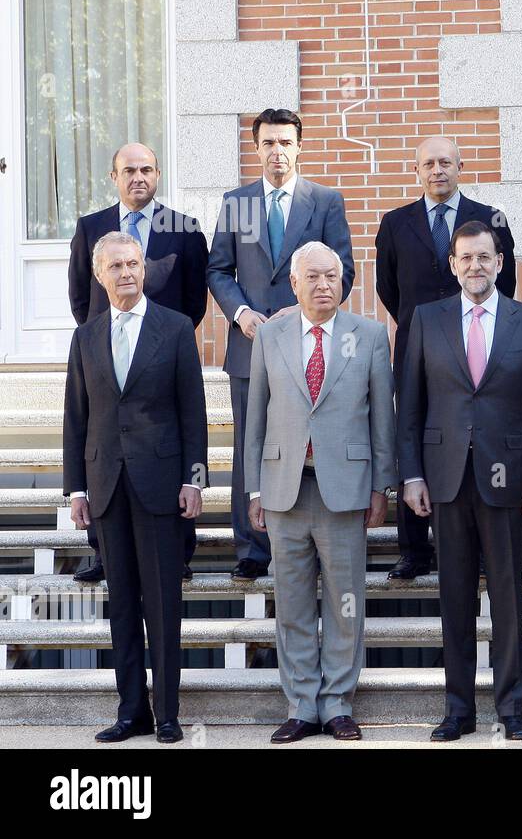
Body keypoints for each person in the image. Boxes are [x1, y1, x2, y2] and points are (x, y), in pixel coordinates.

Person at [398, 221, 522, 742]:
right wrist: (411, 475)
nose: (475, 266)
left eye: (484, 258)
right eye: (465, 258)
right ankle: (458, 709)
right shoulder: (426, 319)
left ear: (500, 262)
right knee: (455, 597)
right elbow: (410, 408)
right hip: (445, 478)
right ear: (453, 264)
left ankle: (512, 708)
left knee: (508, 598)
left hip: (508, 479)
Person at [243, 242, 395, 744]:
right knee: (292, 604)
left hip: (345, 491)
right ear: (294, 283)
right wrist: (253, 489)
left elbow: (382, 420)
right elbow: (256, 417)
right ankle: (301, 705)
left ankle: (337, 704)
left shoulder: (370, 336)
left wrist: (381, 485)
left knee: (345, 600)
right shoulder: (270, 336)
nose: (324, 284)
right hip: (284, 488)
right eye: (313, 276)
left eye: (332, 276)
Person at [63, 232, 207, 744]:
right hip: (106, 486)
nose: (126, 273)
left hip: (162, 484)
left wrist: (196, 480)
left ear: (143, 270)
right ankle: (131, 713)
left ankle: (166, 713)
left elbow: (194, 411)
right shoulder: (86, 337)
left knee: (163, 602)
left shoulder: (175, 328)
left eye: (133, 264)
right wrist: (75, 490)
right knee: (121, 602)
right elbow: (76, 419)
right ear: (100, 276)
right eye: (116, 266)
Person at [208, 108, 355, 583]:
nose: (277, 152)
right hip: (249, 345)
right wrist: (241, 313)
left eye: (285, 143)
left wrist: (305, 312)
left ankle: (306, 541)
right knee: (251, 443)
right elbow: (217, 269)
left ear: (299, 146)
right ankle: (252, 548)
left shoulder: (326, 201)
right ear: (257, 148)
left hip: (308, 347)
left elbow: (344, 271)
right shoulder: (237, 203)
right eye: (268, 143)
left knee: (303, 442)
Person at [67, 142, 209, 583]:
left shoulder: (184, 230)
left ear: (158, 173)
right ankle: (106, 554)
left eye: (146, 169)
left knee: (166, 457)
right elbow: (80, 296)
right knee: (103, 449)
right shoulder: (90, 228)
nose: (138, 177)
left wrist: (165, 341)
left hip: (162, 364)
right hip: (106, 362)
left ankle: (177, 555)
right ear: (114, 177)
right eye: (128, 170)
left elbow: (193, 300)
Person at [377, 136, 518, 581]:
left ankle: (476, 547)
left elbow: (505, 282)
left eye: (445, 162)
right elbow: (387, 287)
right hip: (419, 345)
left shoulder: (490, 218)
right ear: (417, 170)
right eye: (428, 164)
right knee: (415, 431)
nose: (437, 170)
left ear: (460, 166)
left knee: (473, 432)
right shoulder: (395, 222)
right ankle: (414, 548)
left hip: (476, 345)